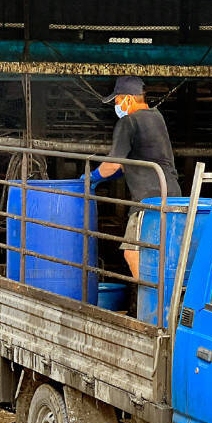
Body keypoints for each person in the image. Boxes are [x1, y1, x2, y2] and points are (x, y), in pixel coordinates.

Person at [85, 76, 181, 279]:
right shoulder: (156, 117)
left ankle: (150, 299)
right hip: (172, 193)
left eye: (118, 100)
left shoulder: (128, 122)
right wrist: (118, 171)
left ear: (128, 98)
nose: (117, 105)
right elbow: (138, 157)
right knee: (162, 251)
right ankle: (167, 297)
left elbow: (112, 164)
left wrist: (91, 178)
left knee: (132, 252)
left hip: (148, 199)